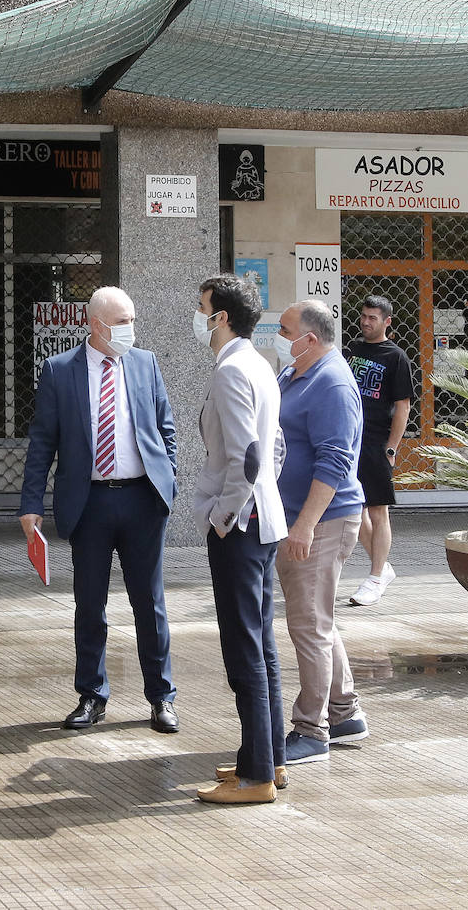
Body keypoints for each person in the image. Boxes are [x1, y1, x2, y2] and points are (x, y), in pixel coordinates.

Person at [17, 286, 179, 734]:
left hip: (143, 499)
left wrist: (169, 482)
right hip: (88, 502)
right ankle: (91, 694)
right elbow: (42, 443)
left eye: (132, 320)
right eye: (122, 321)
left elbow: (165, 428)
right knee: (90, 605)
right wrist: (30, 503)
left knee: (150, 603)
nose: (130, 329)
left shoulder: (144, 363)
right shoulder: (60, 370)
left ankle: (161, 697)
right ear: (95, 324)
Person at [190, 274, 289, 805]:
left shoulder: (231, 369)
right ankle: (267, 758)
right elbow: (274, 449)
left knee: (244, 646)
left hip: (243, 524)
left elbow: (247, 457)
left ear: (221, 316)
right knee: (260, 642)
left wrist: (224, 517)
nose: (199, 317)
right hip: (263, 519)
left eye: (203, 308)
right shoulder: (260, 364)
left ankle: (256, 777)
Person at [275, 299, 369, 765]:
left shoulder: (331, 382)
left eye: (285, 329)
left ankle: (312, 730)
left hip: (323, 521)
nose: (278, 335)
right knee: (320, 619)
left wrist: (304, 525)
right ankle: (345, 710)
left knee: (308, 626)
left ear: (310, 339)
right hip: (304, 518)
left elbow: (335, 462)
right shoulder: (296, 373)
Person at [344, 296, 413, 606]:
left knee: (378, 511)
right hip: (350, 440)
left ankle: (374, 578)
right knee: (354, 510)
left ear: (387, 322)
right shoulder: (351, 351)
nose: (366, 322)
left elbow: (403, 406)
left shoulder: (396, 357)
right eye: (363, 316)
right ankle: (382, 568)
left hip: (376, 442)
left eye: (373, 317)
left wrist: (392, 448)